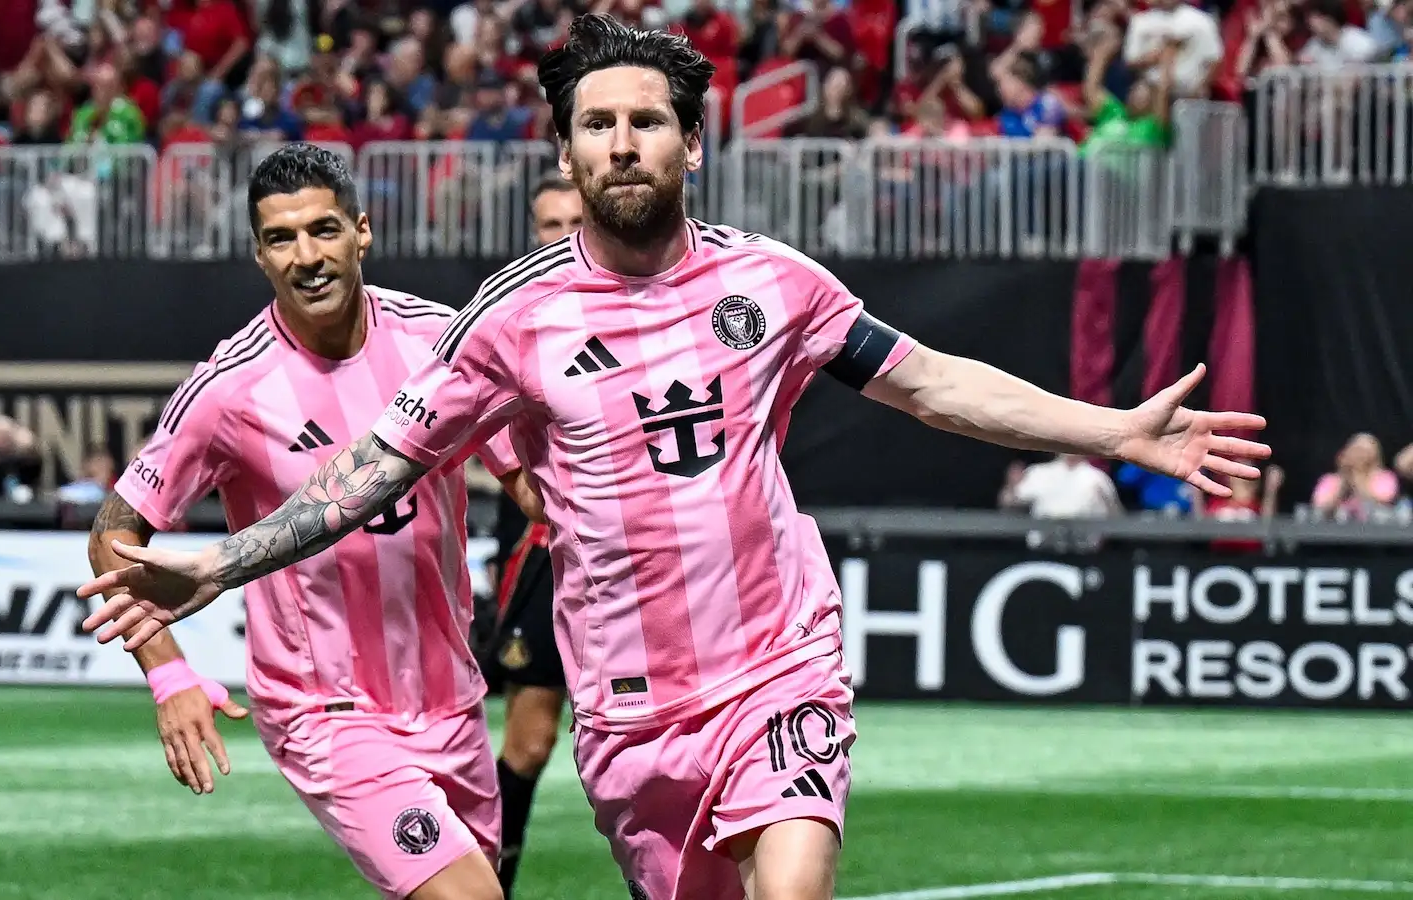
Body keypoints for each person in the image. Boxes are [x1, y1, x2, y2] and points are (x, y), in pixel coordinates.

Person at [80, 16, 1271, 900]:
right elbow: (374, 467)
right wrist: (222, 564)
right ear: (566, 153)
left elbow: (932, 384)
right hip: (632, 719)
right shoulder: (507, 321)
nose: (622, 143)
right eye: (596, 126)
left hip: (774, 665)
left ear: (691, 145)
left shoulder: (773, 283)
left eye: (646, 121)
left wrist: (1111, 428)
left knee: (792, 884)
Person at [87, 143, 541, 900]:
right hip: (325, 709)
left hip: (452, 698)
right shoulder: (230, 388)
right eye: (281, 239)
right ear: (258, 254)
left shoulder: (439, 343)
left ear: (362, 231)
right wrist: (169, 675)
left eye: (323, 230)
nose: (306, 257)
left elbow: (527, 482)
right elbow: (113, 532)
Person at [485, 176, 582, 900]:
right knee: (530, 741)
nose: (563, 236)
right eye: (551, 224)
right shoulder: (510, 319)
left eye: (576, 220)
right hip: (541, 547)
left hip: (642, 549)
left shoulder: (650, 299)